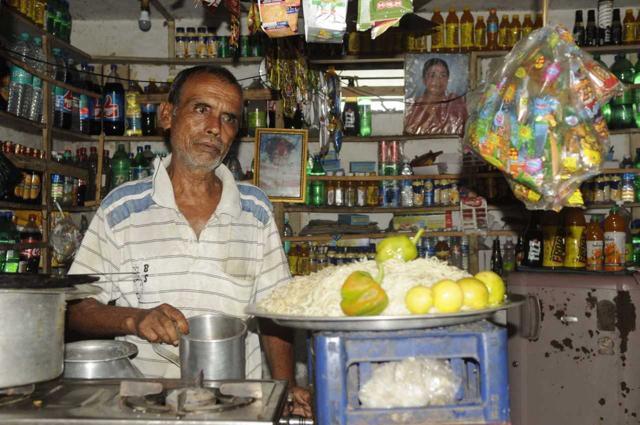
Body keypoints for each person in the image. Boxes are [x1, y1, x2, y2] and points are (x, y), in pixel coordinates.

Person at [67, 65, 312, 417]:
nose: (215, 128)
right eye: (201, 109)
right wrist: (134, 319)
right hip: (147, 405)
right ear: (168, 115)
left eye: (229, 118)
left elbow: (274, 313)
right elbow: (77, 308)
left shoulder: (254, 209)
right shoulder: (122, 208)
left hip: (238, 407)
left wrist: (285, 388)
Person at [404, 57, 468, 135]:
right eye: (432, 75)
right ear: (424, 79)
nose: (437, 80)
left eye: (443, 75)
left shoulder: (456, 103)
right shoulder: (413, 107)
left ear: (448, 79)